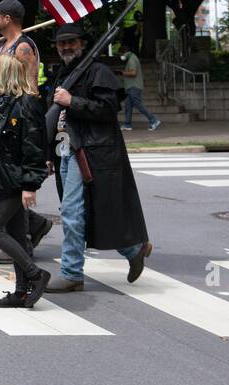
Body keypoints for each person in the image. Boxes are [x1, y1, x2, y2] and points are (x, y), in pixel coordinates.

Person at [45, 23, 153, 293]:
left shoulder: (98, 72)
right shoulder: (62, 74)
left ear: (83, 43)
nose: (66, 47)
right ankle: (133, 249)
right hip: (66, 149)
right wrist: (49, 154)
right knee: (88, 211)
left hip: (90, 151)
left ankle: (71, 273)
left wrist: (73, 101)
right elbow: (56, 118)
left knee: (72, 212)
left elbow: (107, 109)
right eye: (62, 43)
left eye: (72, 42)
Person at [0, 0, 52, 262]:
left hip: (14, 125)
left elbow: (29, 90)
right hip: (0, 122)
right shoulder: (4, 46)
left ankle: (22, 238)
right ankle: (31, 225)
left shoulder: (23, 47)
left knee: (0, 182)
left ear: (8, 19)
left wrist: (22, 124)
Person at [0, 54, 52, 308]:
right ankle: (21, 292)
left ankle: (36, 275)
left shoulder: (26, 104)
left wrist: (30, 185)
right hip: (5, 178)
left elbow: (33, 148)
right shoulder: (7, 104)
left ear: (7, 75)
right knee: (18, 237)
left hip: (15, 181)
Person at [120, 37, 161, 131]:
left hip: (134, 86)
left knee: (138, 105)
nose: (121, 56)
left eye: (121, 53)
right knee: (128, 106)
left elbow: (133, 73)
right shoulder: (131, 58)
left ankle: (153, 120)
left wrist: (122, 73)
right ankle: (127, 124)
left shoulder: (132, 59)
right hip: (130, 87)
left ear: (125, 52)